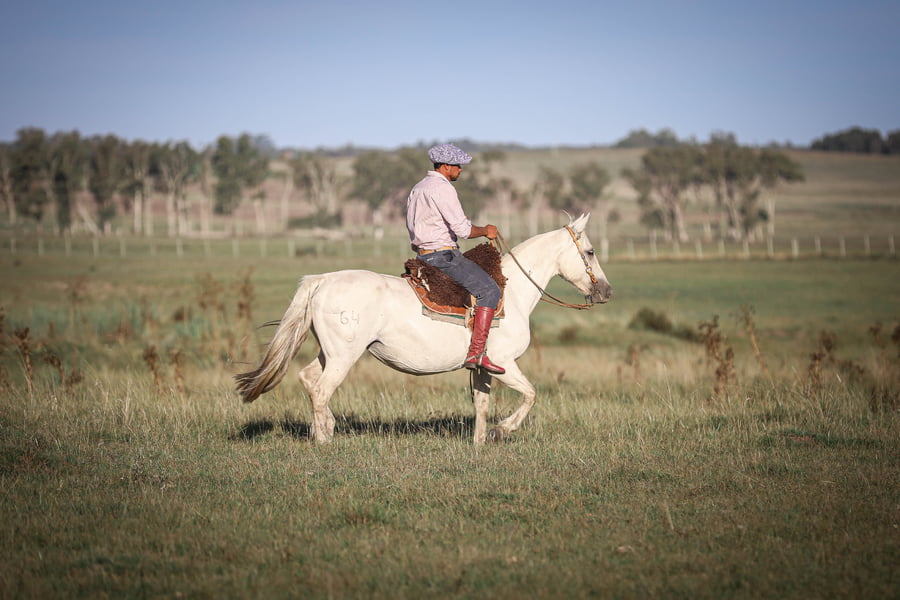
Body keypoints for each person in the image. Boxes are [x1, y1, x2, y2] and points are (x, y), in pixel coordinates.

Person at [406, 143, 505, 375]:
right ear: (445, 166)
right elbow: (463, 230)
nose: (460, 169)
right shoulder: (444, 189)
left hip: (422, 256)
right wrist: (486, 230)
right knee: (490, 290)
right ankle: (476, 353)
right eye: (458, 165)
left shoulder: (418, 188)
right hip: (444, 256)